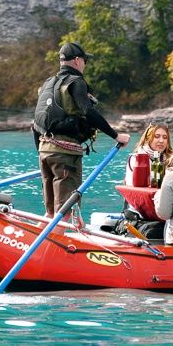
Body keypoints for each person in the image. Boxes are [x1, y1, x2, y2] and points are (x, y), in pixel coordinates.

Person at [31, 41, 128, 218]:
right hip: (65, 155)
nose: (85, 64)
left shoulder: (47, 84)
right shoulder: (76, 82)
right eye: (85, 60)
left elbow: (36, 122)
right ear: (77, 60)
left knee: (50, 212)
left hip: (45, 152)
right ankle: (51, 245)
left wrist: (40, 151)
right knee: (64, 212)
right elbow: (89, 111)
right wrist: (116, 135)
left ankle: (37, 244)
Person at [126, 122, 171, 189]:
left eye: (165, 137)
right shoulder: (136, 159)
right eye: (157, 136)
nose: (161, 141)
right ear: (148, 139)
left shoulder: (170, 159)